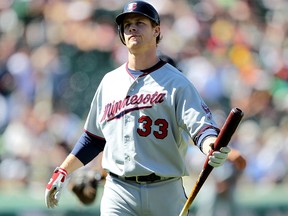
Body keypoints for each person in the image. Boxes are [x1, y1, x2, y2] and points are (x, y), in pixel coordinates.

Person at [44, 1, 231, 215]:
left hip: (165, 189)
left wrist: (209, 146)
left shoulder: (176, 82)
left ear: (157, 30)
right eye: (127, 24)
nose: (132, 27)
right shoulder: (109, 82)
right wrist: (63, 170)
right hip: (119, 190)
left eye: (140, 22)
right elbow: (93, 139)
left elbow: (201, 127)